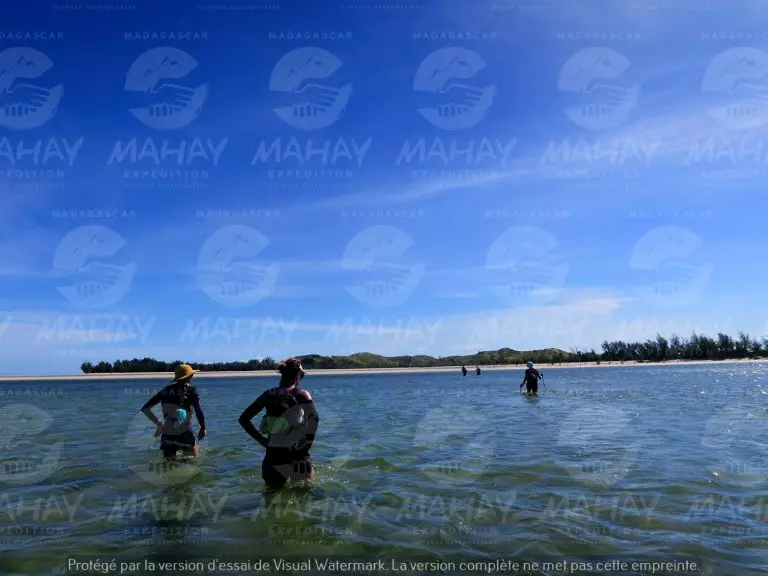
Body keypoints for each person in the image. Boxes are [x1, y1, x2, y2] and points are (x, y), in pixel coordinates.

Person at [238, 358, 320, 490]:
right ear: (298, 376)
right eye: (302, 376)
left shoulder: (268, 395)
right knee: (303, 495)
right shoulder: (301, 395)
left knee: (271, 496)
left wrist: (262, 440)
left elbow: (244, 419)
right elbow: (314, 419)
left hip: (274, 453)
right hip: (298, 453)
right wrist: (307, 444)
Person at [141, 363, 207, 458]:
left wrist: (159, 424)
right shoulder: (192, 391)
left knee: (169, 463)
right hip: (185, 432)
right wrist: (203, 428)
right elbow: (198, 411)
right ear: (190, 376)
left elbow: (145, 409)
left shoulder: (165, 390)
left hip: (168, 434)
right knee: (191, 462)